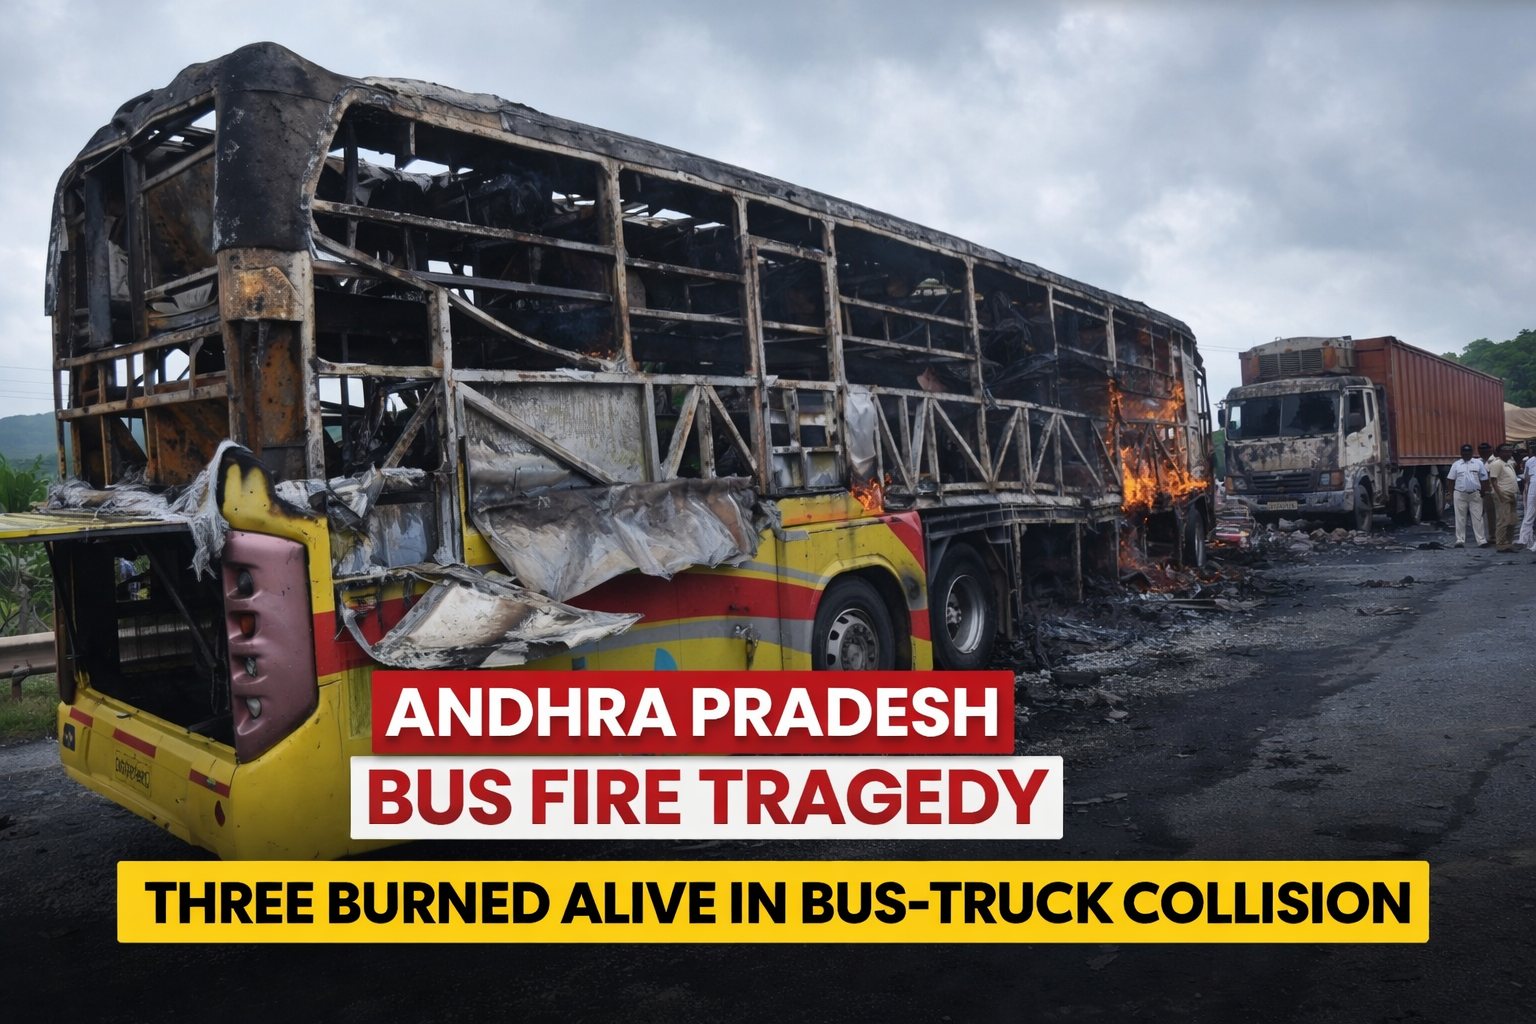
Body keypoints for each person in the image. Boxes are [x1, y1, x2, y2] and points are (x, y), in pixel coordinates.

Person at [1446, 444, 1488, 548]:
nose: (1466, 455)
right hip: (1460, 493)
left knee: (1478, 517)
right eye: (1464, 453)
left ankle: (1481, 540)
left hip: (1475, 494)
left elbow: (1484, 479)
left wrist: (1484, 493)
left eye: (1468, 453)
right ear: (1461, 453)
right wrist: (1451, 494)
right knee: (1460, 518)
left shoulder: (1478, 464)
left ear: (1472, 453)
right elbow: (1451, 480)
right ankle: (1460, 540)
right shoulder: (1456, 465)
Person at [1486, 443, 1519, 552]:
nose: (1508, 453)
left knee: (1512, 520)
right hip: (1503, 494)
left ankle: (1508, 543)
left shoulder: (1508, 464)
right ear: (1499, 453)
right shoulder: (1497, 464)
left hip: (1512, 495)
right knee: (1503, 520)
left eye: (1509, 451)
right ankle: (1500, 544)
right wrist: (1500, 495)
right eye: (1505, 451)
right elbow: (1493, 481)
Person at [1477, 443, 1497, 546]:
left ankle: (1493, 536)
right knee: (1479, 514)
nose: (1483, 453)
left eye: (1485, 451)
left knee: (1491, 513)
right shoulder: (1477, 462)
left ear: (1490, 450)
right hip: (1479, 490)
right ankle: (1482, 536)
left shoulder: (1496, 461)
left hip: (1492, 490)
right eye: (1481, 451)